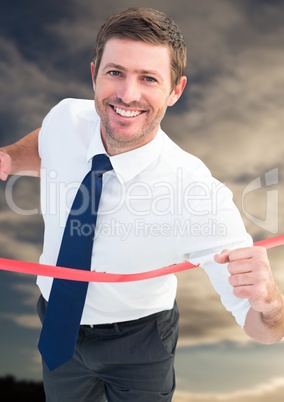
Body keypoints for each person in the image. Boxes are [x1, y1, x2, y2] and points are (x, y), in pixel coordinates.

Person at [0, 7, 283, 402]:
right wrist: (10, 158)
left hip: (140, 342)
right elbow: (48, 142)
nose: (127, 94)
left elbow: (265, 331)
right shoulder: (66, 116)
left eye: (148, 78)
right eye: (115, 72)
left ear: (175, 90)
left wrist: (270, 301)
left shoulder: (197, 194)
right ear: (94, 73)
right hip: (57, 324)